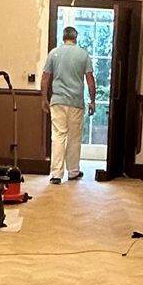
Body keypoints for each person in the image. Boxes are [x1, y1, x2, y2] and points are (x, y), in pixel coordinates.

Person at [37, 24, 97, 183]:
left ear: (63, 37)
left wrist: (44, 98)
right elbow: (90, 80)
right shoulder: (83, 55)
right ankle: (73, 171)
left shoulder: (53, 54)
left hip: (57, 101)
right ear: (76, 38)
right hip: (76, 101)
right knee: (74, 137)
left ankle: (56, 174)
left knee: (58, 136)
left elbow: (45, 78)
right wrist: (92, 101)